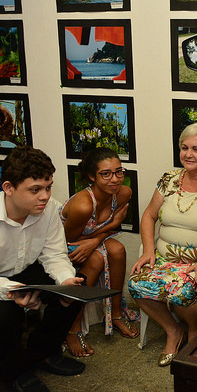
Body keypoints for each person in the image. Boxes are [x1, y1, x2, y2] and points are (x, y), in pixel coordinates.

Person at [129, 122, 197, 367]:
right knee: (135, 283)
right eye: (184, 148)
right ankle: (173, 330)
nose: (188, 154)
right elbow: (148, 216)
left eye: (196, 149)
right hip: (163, 259)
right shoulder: (169, 179)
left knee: (182, 290)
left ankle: (195, 328)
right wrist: (148, 250)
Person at [0, 146, 86, 391]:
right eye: (35, 189)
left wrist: (66, 281)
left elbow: (54, 255)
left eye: (48, 187)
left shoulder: (48, 209)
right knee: (5, 316)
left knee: (75, 289)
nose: (45, 196)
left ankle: (43, 353)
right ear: (8, 188)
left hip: (24, 270)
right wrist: (11, 290)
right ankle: (14, 372)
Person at [59, 148, 137, 357]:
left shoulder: (123, 193)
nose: (115, 179)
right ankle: (72, 329)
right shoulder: (83, 205)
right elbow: (66, 241)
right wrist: (113, 224)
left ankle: (117, 315)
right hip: (63, 247)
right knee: (95, 258)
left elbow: (107, 231)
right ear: (92, 176)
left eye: (118, 172)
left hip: (90, 240)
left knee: (118, 249)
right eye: (106, 174)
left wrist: (102, 233)